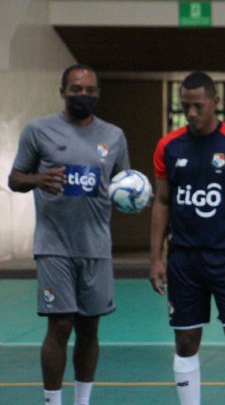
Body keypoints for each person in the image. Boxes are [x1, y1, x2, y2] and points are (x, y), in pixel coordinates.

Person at [8, 64, 130, 405]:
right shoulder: (38, 131)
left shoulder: (114, 136)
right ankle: (52, 401)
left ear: (98, 94)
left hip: (96, 248)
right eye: (76, 89)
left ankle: (82, 401)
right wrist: (38, 180)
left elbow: (122, 187)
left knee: (89, 329)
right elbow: (15, 179)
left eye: (90, 89)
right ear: (63, 92)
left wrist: (130, 199)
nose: (84, 95)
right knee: (60, 325)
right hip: (54, 246)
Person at [149, 71, 225, 405]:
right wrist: (156, 257)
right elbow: (162, 202)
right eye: (185, 106)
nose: (192, 113)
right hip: (184, 259)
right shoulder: (169, 146)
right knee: (185, 343)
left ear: (214, 102)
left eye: (198, 106)